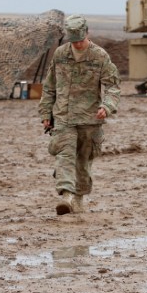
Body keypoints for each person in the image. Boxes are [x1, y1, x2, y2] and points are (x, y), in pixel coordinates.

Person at [38, 14, 121, 215]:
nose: (78, 45)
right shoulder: (60, 54)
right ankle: (66, 195)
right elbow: (49, 87)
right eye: (74, 41)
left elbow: (112, 87)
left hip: (90, 119)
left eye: (81, 40)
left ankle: (79, 198)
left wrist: (107, 106)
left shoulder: (100, 56)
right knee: (65, 155)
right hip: (64, 117)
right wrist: (46, 112)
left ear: (88, 34)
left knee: (83, 162)